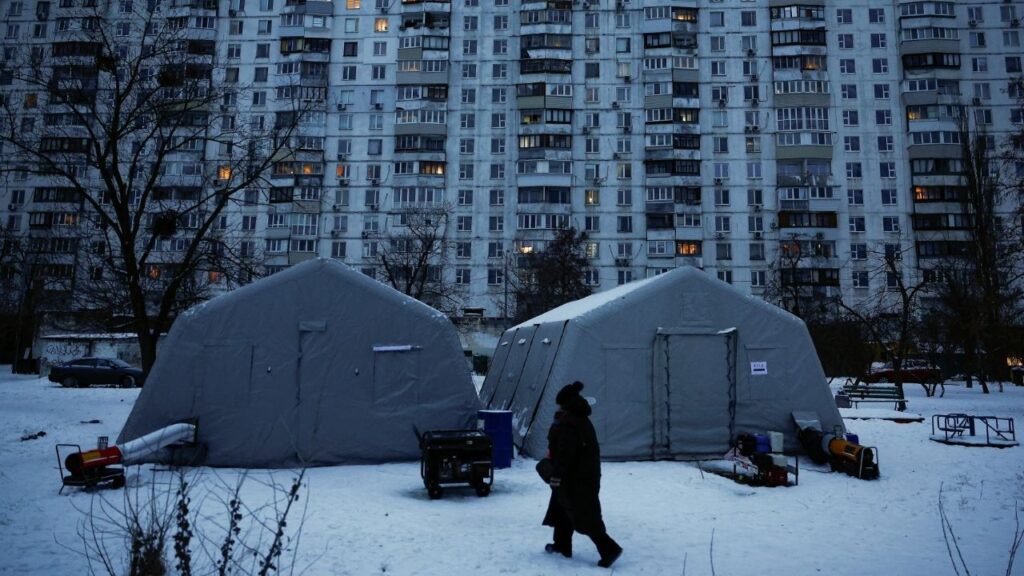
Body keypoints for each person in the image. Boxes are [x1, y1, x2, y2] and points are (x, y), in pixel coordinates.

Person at [542, 381, 623, 569]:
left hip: (577, 478)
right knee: (562, 508)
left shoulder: (570, 423)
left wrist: (556, 475)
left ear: (566, 403)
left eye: (560, 405)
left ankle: (609, 549)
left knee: (584, 514)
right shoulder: (577, 419)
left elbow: (565, 453)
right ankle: (562, 545)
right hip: (581, 475)